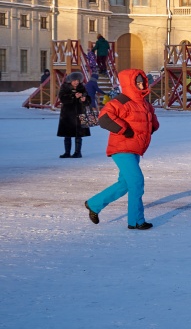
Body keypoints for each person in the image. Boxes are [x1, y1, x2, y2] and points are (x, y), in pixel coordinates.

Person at [84, 68, 160, 230]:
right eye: (137, 82)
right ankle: (136, 221)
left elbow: (150, 120)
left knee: (125, 183)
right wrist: (124, 129)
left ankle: (94, 204)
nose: (141, 85)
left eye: (142, 82)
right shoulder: (121, 101)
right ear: (129, 83)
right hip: (122, 148)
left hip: (135, 148)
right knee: (137, 182)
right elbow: (104, 118)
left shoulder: (144, 102)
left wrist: (152, 126)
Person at [57, 72, 91, 158]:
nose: (76, 82)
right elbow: (62, 98)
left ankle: (77, 152)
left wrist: (84, 99)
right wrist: (73, 96)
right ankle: (67, 152)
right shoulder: (65, 87)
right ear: (70, 80)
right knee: (67, 135)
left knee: (79, 135)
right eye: (74, 80)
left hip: (80, 113)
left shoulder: (82, 88)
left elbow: (88, 100)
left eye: (78, 80)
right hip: (67, 115)